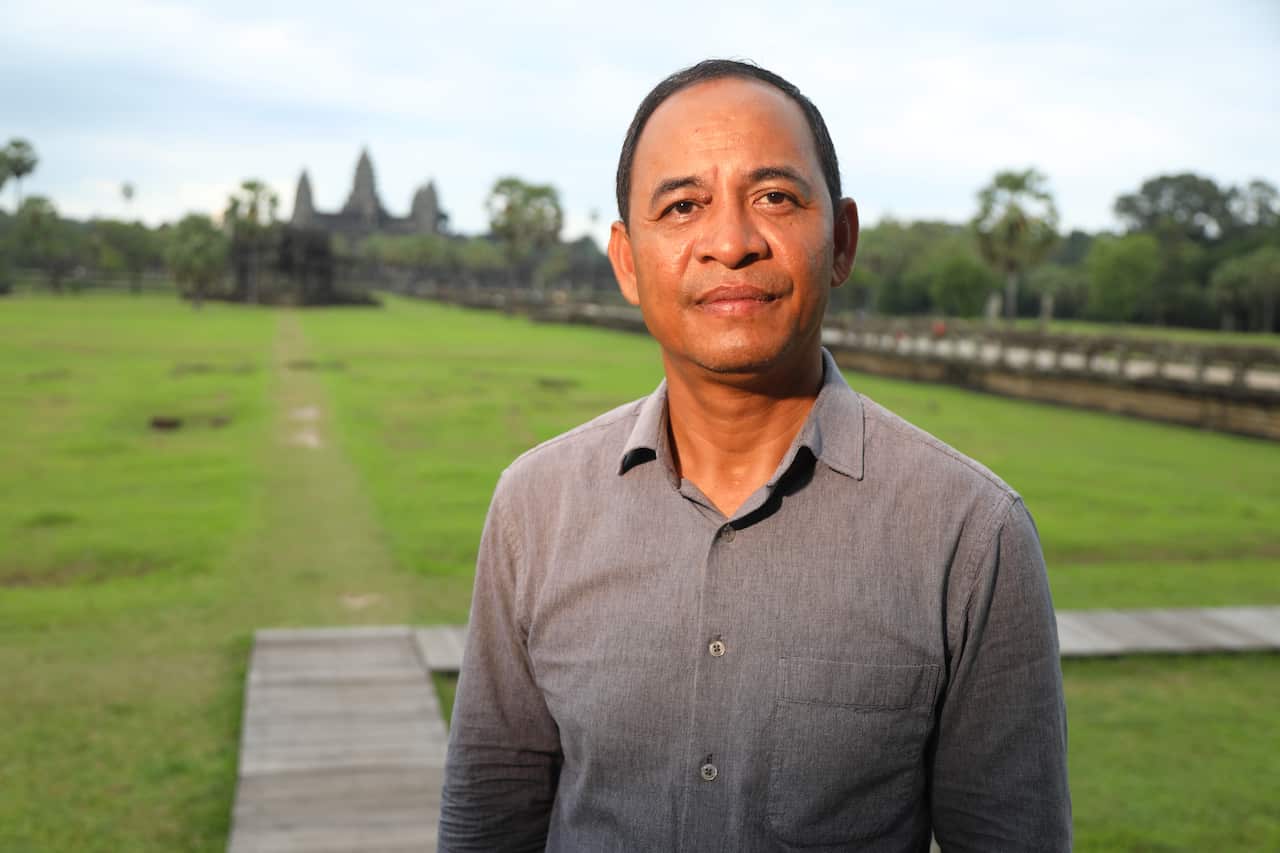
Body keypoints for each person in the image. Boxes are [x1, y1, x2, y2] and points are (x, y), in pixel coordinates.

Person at [439, 59, 1071, 852]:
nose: (731, 243)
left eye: (775, 197)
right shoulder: (536, 505)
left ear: (839, 242)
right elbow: (490, 812)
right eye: (682, 205)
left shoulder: (970, 533)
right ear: (628, 261)